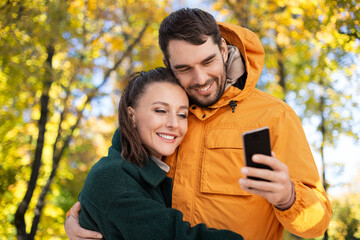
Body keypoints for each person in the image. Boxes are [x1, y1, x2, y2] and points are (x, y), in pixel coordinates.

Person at [65, 8, 332, 240]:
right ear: (168, 64)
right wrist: (81, 218)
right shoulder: (158, 117)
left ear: (223, 50)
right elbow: (118, 178)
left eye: (208, 61)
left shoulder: (275, 116)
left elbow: (316, 223)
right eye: (184, 68)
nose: (201, 78)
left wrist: (288, 197)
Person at [75, 67, 244, 239]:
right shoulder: (111, 177)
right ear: (131, 116)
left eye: (182, 114)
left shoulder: (149, 172)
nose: (173, 124)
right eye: (161, 111)